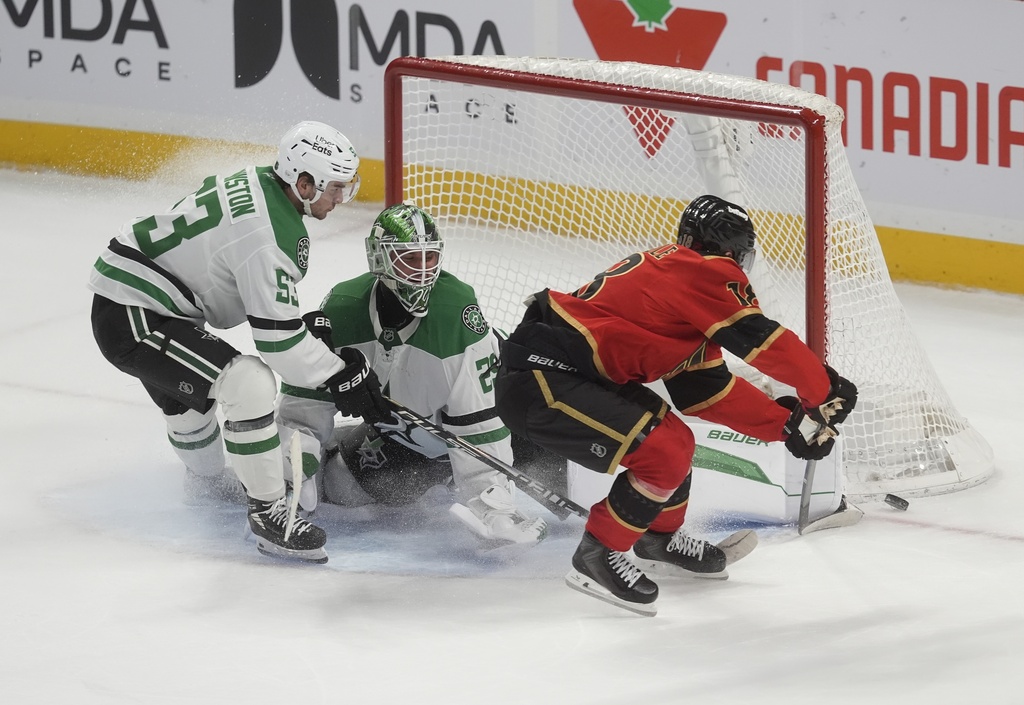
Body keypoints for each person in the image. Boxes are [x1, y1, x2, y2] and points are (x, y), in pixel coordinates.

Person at [494, 194, 858, 615]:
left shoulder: (679, 290)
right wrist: (822, 389)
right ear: (730, 252)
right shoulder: (702, 272)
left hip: (564, 375)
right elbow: (764, 342)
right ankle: (597, 553)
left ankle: (657, 539)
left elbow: (707, 395)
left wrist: (787, 425)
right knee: (661, 451)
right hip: (543, 377)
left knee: (674, 442)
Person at [88, 120, 384, 564]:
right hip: (136, 314)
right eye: (335, 189)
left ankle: (204, 484)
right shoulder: (270, 236)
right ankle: (270, 515)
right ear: (303, 184)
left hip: (133, 303)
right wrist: (338, 374)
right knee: (248, 384)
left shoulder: (256, 180)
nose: (342, 199)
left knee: (192, 412)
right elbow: (279, 344)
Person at [276, 203, 549, 547]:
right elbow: (303, 410)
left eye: (428, 258)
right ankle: (379, 454)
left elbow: (480, 425)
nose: (421, 273)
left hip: (512, 421)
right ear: (379, 258)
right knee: (341, 487)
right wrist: (292, 470)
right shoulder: (344, 307)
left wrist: (491, 504)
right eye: (409, 259)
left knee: (559, 462)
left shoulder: (456, 317)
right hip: (414, 433)